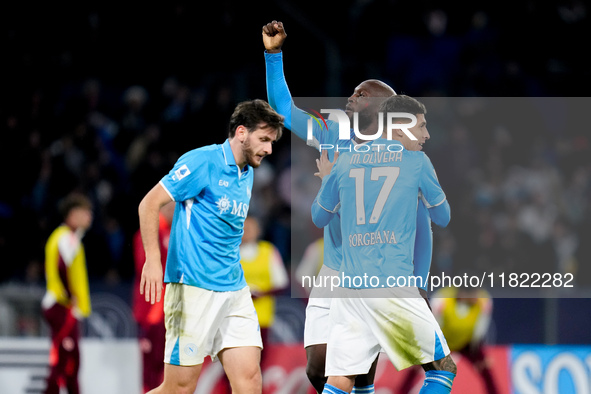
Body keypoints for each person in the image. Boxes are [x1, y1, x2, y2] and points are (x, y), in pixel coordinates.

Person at [262, 20, 438, 393]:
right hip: (333, 269)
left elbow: (423, 220)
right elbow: (283, 109)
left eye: (359, 94)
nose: (350, 97)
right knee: (317, 369)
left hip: (373, 273)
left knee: (350, 371)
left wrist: (418, 280)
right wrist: (273, 55)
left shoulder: (401, 152)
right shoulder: (333, 132)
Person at [311, 95, 456, 394]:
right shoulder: (417, 162)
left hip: (348, 288)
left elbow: (318, 218)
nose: (427, 135)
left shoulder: (346, 160)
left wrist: (327, 180)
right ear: (400, 127)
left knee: (342, 381)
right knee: (443, 369)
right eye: (422, 126)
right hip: (392, 285)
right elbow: (443, 217)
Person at [138, 99, 284, 394]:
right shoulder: (201, 162)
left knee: (250, 380)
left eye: (272, 142)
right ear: (241, 132)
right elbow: (149, 203)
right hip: (192, 288)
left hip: (234, 289)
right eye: (264, 139)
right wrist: (153, 260)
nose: (269, 149)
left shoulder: (248, 172)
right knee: (179, 388)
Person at [42, 193, 93, 394]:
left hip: (65, 307)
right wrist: (69, 297)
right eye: (85, 212)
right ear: (72, 215)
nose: (90, 216)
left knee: (70, 361)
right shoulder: (66, 238)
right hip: (62, 307)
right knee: (63, 362)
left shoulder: (68, 238)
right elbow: (61, 266)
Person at [132, 201, 174, 393]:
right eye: (174, 206)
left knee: (161, 363)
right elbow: (146, 270)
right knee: (153, 365)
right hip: (153, 311)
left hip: (163, 310)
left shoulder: (166, 232)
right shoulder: (151, 232)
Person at [240, 215, 289, 365]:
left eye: (251, 228)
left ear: (258, 230)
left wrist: (261, 294)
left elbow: (281, 283)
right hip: (235, 317)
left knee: (258, 362)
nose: (247, 231)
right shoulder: (230, 253)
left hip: (261, 318)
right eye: (244, 228)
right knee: (235, 362)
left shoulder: (268, 251)